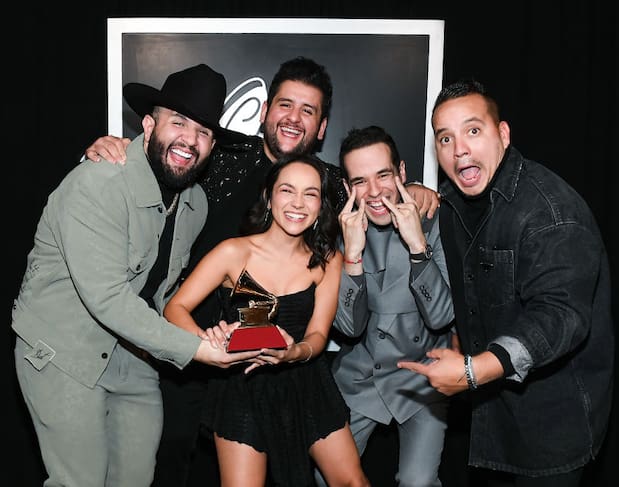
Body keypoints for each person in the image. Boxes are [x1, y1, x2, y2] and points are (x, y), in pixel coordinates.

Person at [86, 56, 440, 486]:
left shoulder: (332, 185)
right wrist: (125, 148)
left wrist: (421, 191)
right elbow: (170, 154)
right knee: (174, 465)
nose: (294, 118)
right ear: (266, 112)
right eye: (285, 105)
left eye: (308, 111)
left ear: (322, 128)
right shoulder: (218, 159)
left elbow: (376, 190)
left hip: (294, 368)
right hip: (197, 354)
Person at [11, 63, 262, 487]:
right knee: (81, 480)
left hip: (134, 354)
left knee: (136, 478)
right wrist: (198, 352)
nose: (190, 140)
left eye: (203, 132)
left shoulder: (196, 203)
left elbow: (161, 291)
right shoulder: (99, 183)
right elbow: (108, 298)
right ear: (149, 125)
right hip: (62, 348)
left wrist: (203, 335)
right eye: (178, 122)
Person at [397, 79, 615, 487]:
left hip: (555, 421)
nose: (459, 148)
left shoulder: (550, 211)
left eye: (473, 130)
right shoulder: (455, 204)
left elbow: (560, 315)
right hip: (493, 417)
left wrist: (473, 370)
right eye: (445, 138)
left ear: (503, 134)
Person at [164, 155, 371, 487]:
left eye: (311, 194)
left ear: (322, 206)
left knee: (353, 482)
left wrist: (295, 352)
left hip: (307, 383)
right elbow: (175, 309)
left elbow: (319, 333)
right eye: (287, 190)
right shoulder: (234, 252)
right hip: (242, 386)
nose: (298, 203)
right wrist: (207, 343)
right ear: (269, 196)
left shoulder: (328, 260)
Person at [315, 125, 455, 487]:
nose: (375, 192)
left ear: (403, 173)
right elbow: (348, 327)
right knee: (326, 476)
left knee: (417, 481)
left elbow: (441, 316)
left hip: (422, 376)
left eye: (384, 175)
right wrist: (354, 255)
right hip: (361, 376)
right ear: (347, 188)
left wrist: (416, 245)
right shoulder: (338, 232)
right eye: (360, 181)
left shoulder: (437, 220)